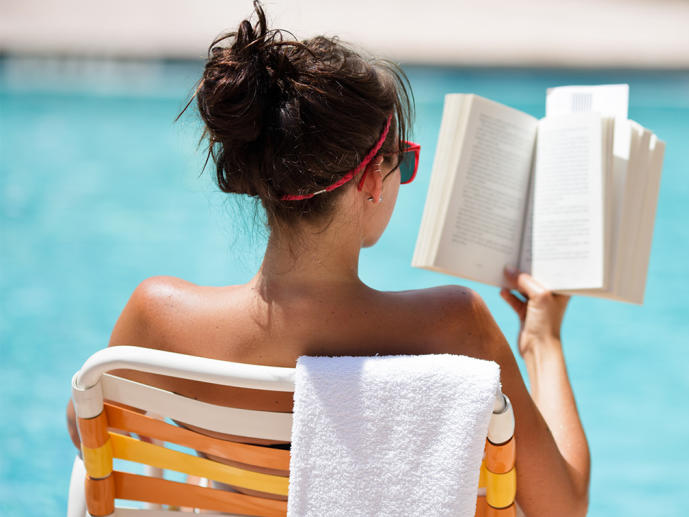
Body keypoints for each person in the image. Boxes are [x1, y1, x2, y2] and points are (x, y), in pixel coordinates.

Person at [67, 3, 590, 515]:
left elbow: (89, 433)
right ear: (368, 180)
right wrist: (543, 342)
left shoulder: (157, 319)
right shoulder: (456, 328)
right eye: (401, 163)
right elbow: (565, 507)